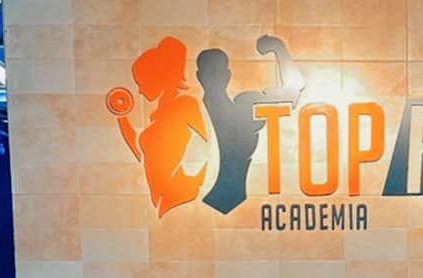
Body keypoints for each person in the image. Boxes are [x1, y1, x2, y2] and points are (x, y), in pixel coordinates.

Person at [197, 35, 303, 214]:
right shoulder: (242, 109)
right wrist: (279, 49)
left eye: (216, 72)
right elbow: (293, 91)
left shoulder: (193, 109)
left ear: (199, 76)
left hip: (222, 198)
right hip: (228, 198)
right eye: (212, 72)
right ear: (228, 75)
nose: (214, 78)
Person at [109, 37, 208, 217]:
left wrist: (189, 177)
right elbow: (143, 153)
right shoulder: (161, 115)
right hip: (165, 198)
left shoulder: (185, 105)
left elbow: (207, 146)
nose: (140, 90)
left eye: (141, 82)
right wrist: (122, 117)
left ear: (156, 78)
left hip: (179, 195)